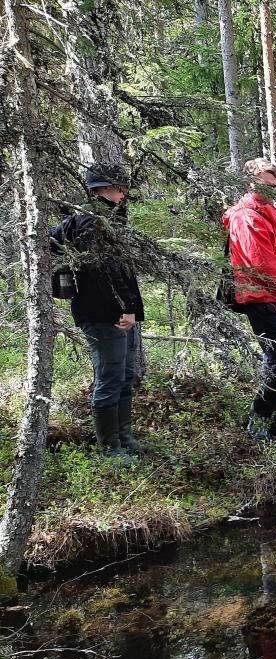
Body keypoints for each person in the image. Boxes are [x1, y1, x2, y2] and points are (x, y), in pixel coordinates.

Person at [49, 163, 145, 465]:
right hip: (104, 315)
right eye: (119, 187)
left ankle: (124, 439)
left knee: (126, 376)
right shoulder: (90, 221)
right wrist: (126, 309)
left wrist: (133, 310)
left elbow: (122, 270)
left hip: (117, 313)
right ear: (102, 189)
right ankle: (110, 448)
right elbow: (103, 272)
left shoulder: (109, 217)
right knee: (110, 377)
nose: (124, 192)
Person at [223, 158, 276, 440]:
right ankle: (258, 418)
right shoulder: (245, 216)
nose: (271, 190)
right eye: (265, 184)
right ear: (251, 183)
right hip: (261, 298)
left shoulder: (269, 212)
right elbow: (258, 262)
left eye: (274, 185)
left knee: (274, 360)